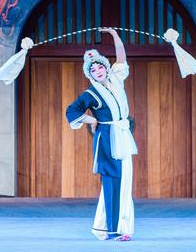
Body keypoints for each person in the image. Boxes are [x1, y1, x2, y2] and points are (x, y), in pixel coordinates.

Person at [65, 28, 138, 241]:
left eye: (100, 66)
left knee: (125, 180)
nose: (97, 70)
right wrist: (91, 120)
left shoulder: (116, 80)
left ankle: (120, 227)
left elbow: (121, 59)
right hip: (106, 138)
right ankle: (112, 229)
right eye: (93, 69)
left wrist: (114, 35)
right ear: (89, 74)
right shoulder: (91, 93)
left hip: (122, 134)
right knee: (112, 181)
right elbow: (71, 111)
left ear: (106, 67)